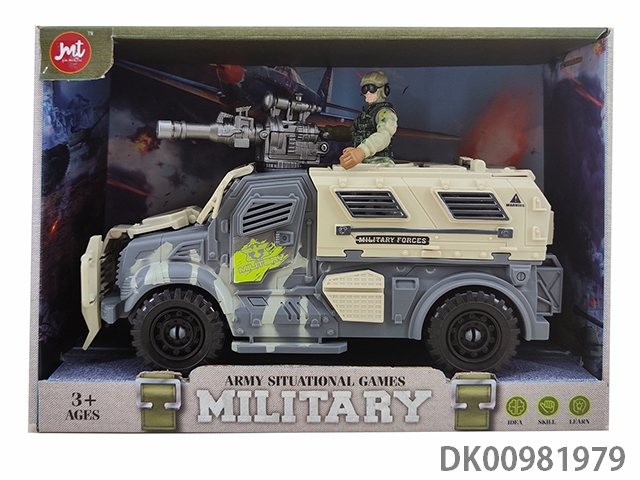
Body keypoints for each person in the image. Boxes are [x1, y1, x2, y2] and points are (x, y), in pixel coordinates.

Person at [339, 71, 398, 169]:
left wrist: (362, 151)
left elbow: (384, 135)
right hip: (363, 164)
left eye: (371, 88)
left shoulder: (385, 114)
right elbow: (351, 132)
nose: (368, 93)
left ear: (384, 90)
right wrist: (329, 132)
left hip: (380, 165)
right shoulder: (366, 114)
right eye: (364, 89)